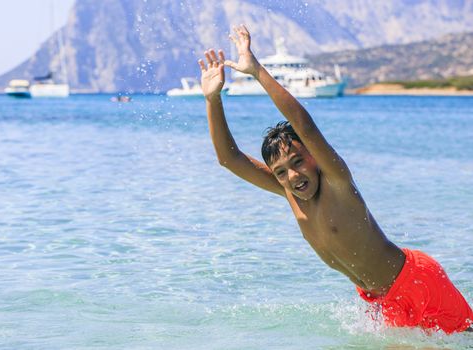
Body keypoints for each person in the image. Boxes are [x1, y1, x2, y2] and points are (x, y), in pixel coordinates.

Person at [198, 24, 473, 334]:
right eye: (281, 172)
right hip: (380, 299)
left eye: (298, 161)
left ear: (314, 157)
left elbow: (305, 127)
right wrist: (213, 100)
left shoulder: (337, 181)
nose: (293, 175)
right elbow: (229, 158)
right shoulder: (290, 191)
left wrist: (258, 72)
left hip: (417, 282)